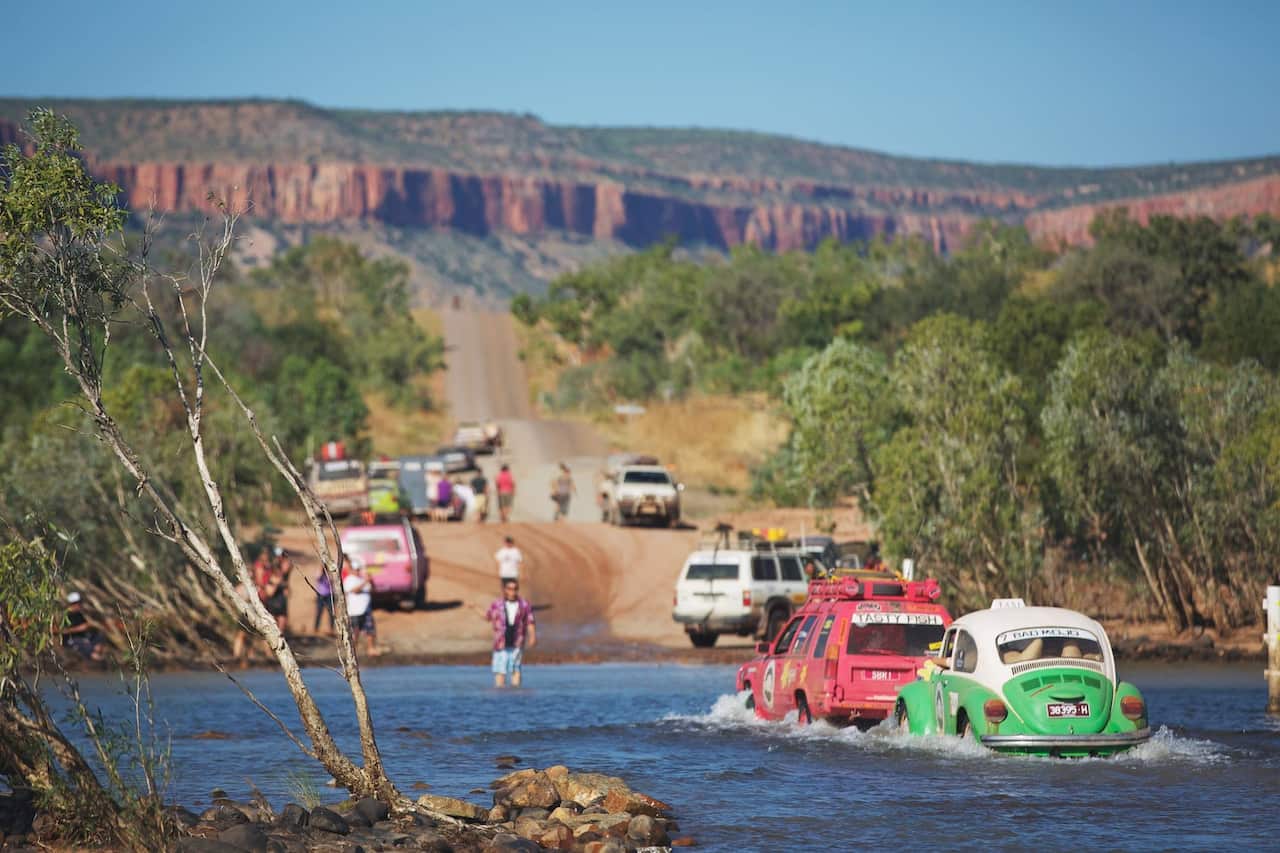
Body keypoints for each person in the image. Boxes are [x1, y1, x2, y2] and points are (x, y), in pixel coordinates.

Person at [483, 578, 536, 687]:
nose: (513, 591)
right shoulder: (497, 604)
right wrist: (474, 609)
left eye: (515, 589)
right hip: (501, 642)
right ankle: (499, 695)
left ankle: (516, 695)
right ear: (505, 590)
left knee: (515, 669)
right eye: (510, 589)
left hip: (517, 641)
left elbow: (530, 621)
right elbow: (487, 617)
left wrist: (532, 636)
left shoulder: (524, 605)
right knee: (500, 670)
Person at [342, 557, 379, 658]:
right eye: (356, 569)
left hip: (366, 609)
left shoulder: (363, 579)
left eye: (359, 569)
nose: (358, 571)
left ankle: (371, 649)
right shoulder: (349, 580)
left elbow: (373, 590)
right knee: (355, 632)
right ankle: (353, 653)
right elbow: (354, 591)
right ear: (352, 569)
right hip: (354, 611)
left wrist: (370, 581)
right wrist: (365, 582)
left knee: (370, 631)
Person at [61, 592, 105, 661]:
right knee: (84, 644)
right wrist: (78, 629)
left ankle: (97, 654)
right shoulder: (64, 615)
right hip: (70, 640)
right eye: (78, 603)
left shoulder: (80, 614)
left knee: (99, 636)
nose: (80, 605)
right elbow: (58, 630)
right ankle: (95, 659)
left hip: (83, 637)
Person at [265, 547, 292, 635]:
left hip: (281, 597)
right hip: (272, 597)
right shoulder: (271, 566)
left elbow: (286, 568)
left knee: (281, 628)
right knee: (271, 626)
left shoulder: (284, 564)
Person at [313, 561, 335, 636]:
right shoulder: (319, 573)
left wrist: (327, 572)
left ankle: (331, 628)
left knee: (331, 612)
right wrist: (321, 569)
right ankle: (316, 628)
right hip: (321, 595)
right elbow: (317, 578)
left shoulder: (329, 574)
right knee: (319, 611)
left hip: (329, 595)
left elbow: (332, 581)